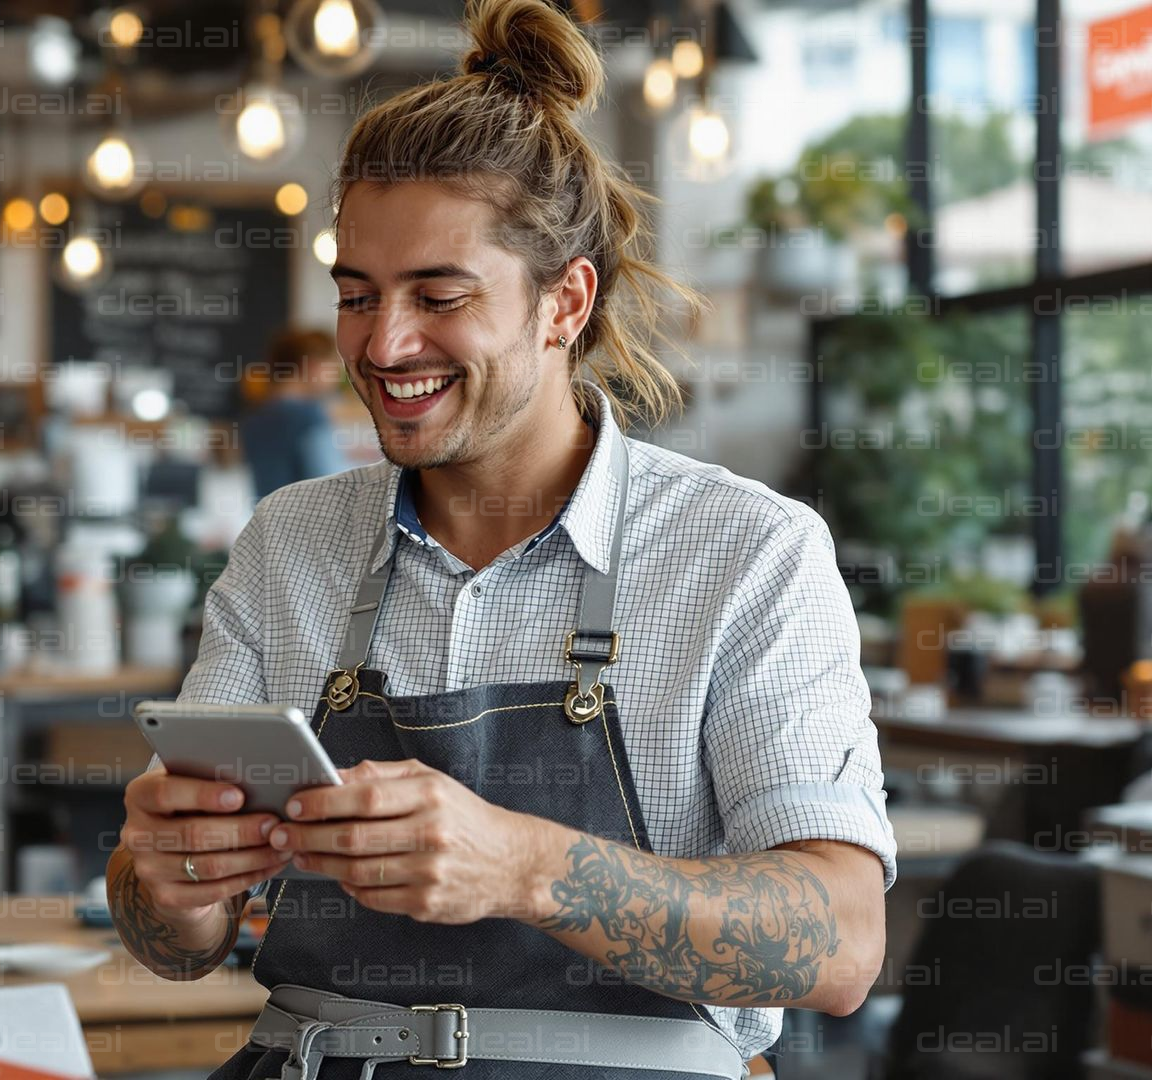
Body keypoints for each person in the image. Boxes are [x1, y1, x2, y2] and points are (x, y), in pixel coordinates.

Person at [105, 2, 894, 1077]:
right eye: (356, 297)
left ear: (565, 300)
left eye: (439, 295)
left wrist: (524, 866)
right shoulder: (289, 543)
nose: (384, 345)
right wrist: (163, 876)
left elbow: (841, 942)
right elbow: (172, 950)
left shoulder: (746, 553)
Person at [239, 328, 352, 499]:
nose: (337, 376)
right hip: (310, 521)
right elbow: (333, 481)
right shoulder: (308, 416)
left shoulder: (255, 417)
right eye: (333, 366)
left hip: (269, 519)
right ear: (313, 365)